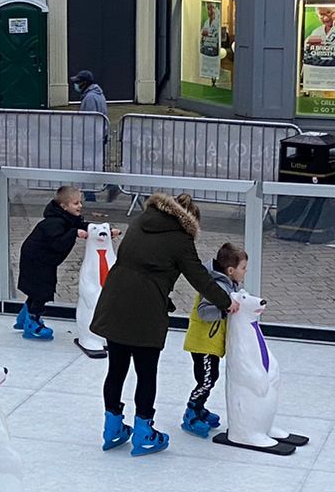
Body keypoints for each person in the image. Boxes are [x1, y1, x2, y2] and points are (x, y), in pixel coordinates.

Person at [89, 192, 235, 455]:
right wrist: (226, 302)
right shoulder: (181, 239)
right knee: (146, 373)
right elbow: (200, 278)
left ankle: (112, 428)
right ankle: (144, 432)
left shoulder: (140, 221)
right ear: (190, 221)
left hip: (114, 301)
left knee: (116, 368)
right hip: (145, 310)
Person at [182, 242, 246, 437]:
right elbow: (203, 311)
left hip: (210, 342)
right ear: (230, 270)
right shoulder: (217, 286)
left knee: (210, 378)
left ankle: (199, 409)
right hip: (203, 343)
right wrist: (224, 308)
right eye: (243, 268)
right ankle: (191, 413)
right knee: (206, 380)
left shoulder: (227, 283)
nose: (245, 272)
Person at [14, 185, 83, 341]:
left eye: (80, 202)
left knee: (36, 289)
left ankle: (24, 317)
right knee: (42, 291)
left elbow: (81, 225)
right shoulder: (55, 223)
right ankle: (33, 323)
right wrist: (74, 233)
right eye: (75, 203)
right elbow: (58, 243)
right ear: (64, 206)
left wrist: (99, 229)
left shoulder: (69, 219)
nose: (80, 206)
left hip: (40, 259)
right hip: (37, 260)